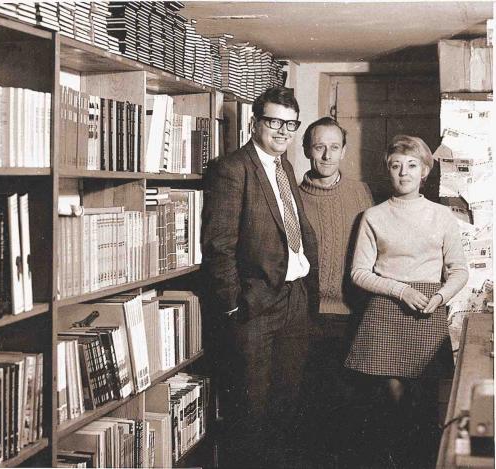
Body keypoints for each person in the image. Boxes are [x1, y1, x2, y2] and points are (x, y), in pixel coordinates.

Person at [201, 86, 319, 468]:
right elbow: (219, 246)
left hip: (294, 300)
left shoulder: (285, 167)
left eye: (291, 124)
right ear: (255, 123)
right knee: (250, 413)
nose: (283, 131)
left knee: (285, 406)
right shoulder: (232, 169)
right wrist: (235, 305)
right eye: (274, 122)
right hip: (256, 306)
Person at [344, 134, 469, 466]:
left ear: (424, 170)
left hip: (428, 313)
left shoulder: (442, 216)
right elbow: (359, 273)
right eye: (396, 166)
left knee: (426, 403)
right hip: (386, 312)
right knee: (393, 403)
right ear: (388, 170)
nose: (404, 173)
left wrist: (440, 296)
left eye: (412, 165)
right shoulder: (373, 216)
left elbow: (459, 271)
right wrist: (400, 290)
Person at [296, 117, 374, 465]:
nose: (326, 155)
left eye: (334, 147)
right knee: (309, 406)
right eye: (318, 146)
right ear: (307, 151)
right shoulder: (291, 198)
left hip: (353, 316)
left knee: (350, 407)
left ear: (344, 151)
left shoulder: (361, 193)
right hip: (305, 319)